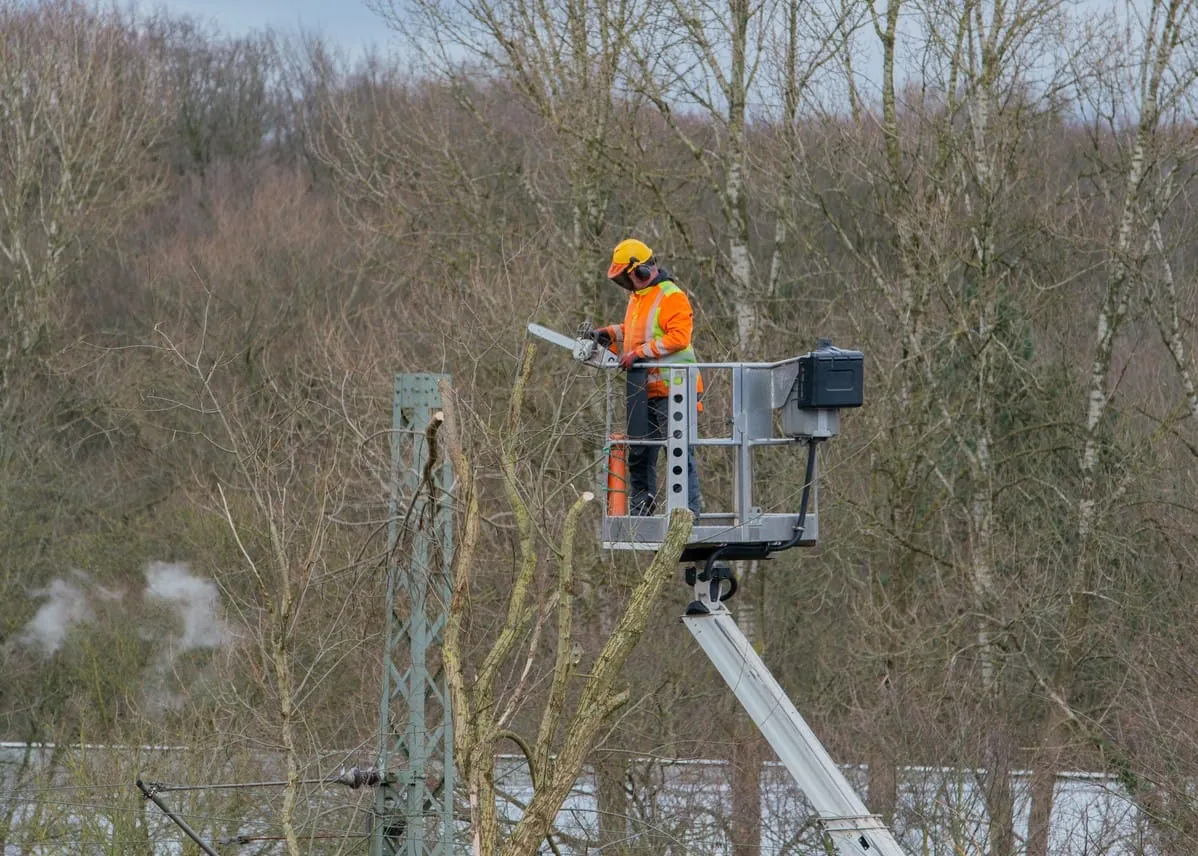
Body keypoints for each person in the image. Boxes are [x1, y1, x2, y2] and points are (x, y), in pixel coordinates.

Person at [586, 238, 703, 516]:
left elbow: (679, 337)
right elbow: (633, 332)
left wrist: (639, 353)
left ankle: (688, 515)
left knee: (678, 454)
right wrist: (608, 334)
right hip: (643, 388)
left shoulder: (671, 295)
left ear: (640, 271)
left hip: (676, 388)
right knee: (639, 452)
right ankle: (642, 510)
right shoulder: (638, 298)